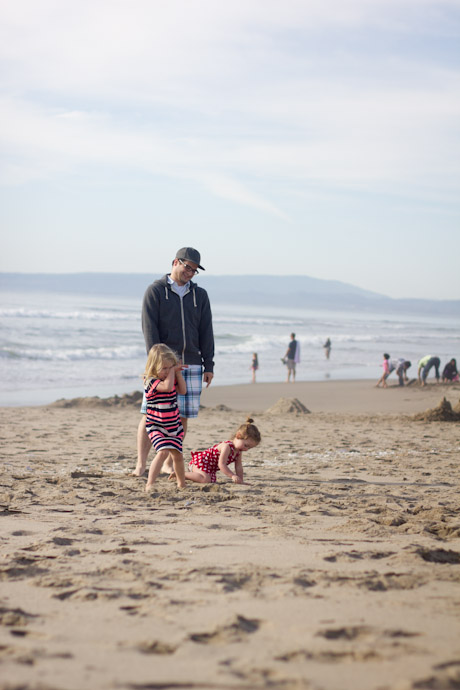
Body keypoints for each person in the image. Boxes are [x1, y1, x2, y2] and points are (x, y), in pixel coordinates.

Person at [135, 247, 215, 477]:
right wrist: (158, 366)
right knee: (150, 415)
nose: (190, 272)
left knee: (181, 417)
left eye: (194, 270)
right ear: (175, 262)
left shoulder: (200, 296)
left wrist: (208, 365)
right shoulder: (156, 291)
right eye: (187, 267)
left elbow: (206, 331)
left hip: (191, 364)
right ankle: (141, 465)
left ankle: (170, 464)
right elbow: (149, 330)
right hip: (162, 366)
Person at [137, 344, 186, 492]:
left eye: (169, 367)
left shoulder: (171, 378)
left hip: (173, 425)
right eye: (164, 368)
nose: (166, 371)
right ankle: (150, 483)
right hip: (156, 425)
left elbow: (182, 390)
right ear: (153, 366)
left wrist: (177, 373)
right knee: (163, 452)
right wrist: (172, 371)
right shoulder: (150, 381)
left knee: (177, 455)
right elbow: (166, 387)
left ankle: (181, 483)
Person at [181, 417, 261, 485]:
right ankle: (180, 474)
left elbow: (238, 466)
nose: (246, 449)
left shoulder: (239, 451)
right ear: (238, 435)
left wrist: (240, 480)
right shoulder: (227, 446)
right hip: (200, 463)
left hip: (209, 468)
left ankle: (191, 476)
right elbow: (221, 465)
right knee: (205, 480)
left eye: (249, 448)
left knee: (210, 481)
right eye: (246, 445)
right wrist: (232, 475)